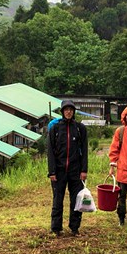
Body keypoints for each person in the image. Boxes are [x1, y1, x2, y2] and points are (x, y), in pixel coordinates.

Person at [47, 100, 88, 237]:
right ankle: (56, 228)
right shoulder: (55, 128)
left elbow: (84, 151)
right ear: (62, 112)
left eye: (71, 109)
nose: (68, 112)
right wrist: (51, 171)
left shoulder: (79, 128)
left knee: (76, 199)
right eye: (66, 109)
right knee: (58, 199)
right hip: (58, 171)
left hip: (75, 170)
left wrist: (84, 170)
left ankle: (74, 227)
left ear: (74, 111)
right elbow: (50, 152)